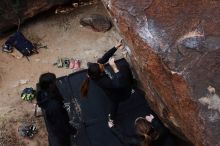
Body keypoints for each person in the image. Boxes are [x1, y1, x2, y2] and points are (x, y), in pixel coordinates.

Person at [80, 40, 133, 118]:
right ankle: (111, 118)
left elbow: (105, 58)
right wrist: (114, 67)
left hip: (109, 84)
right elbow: (119, 83)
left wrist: (115, 47)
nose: (101, 64)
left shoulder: (94, 71)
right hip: (115, 93)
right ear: (100, 72)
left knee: (123, 68)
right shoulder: (104, 82)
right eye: (100, 66)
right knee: (115, 103)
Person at [36, 73, 77, 146]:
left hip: (54, 115)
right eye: (54, 82)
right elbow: (61, 124)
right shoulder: (54, 106)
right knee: (64, 140)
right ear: (50, 85)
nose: (56, 82)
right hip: (59, 126)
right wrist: (69, 129)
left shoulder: (42, 90)